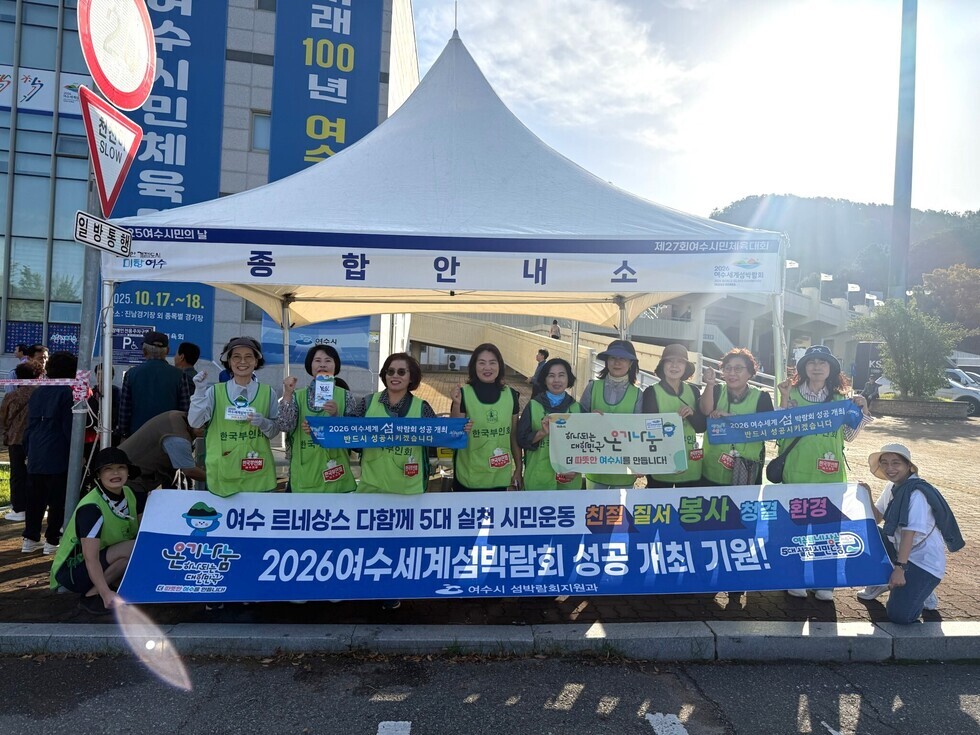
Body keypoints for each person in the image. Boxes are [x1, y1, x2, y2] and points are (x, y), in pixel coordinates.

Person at [776, 344, 872, 601]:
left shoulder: (842, 400)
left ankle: (825, 583)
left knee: (828, 533)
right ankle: (795, 578)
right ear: (803, 368)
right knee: (795, 531)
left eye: (822, 362)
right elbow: (779, 431)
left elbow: (849, 436)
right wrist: (784, 400)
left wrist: (862, 409)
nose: (817, 367)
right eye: (811, 362)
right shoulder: (790, 394)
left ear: (831, 369)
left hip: (830, 478)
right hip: (796, 475)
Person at [856, 444, 964, 623]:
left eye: (896, 463)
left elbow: (909, 534)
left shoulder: (916, 494)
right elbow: (876, 519)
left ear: (908, 466)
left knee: (899, 616)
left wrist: (899, 569)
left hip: (923, 562)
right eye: (885, 463)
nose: (889, 468)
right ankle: (882, 581)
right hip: (901, 552)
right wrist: (867, 494)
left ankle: (922, 590)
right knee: (867, 532)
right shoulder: (892, 486)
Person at [49, 447, 145, 615]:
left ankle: (110, 589)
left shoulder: (130, 494)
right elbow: (90, 557)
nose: (115, 473)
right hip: (73, 571)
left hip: (104, 559)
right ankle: (94, 595)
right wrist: (105, 593)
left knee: (134, 551)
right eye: (108, 469)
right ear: (98, 475)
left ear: (128, 471)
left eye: (121, 467)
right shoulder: (92, 508)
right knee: (135, 547)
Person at [189, 336, 285, 495]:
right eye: (236, 357)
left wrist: (263, 423)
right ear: (229, 361)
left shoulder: (268, 392)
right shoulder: (215, 392)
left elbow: (274, 430)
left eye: (249, 357)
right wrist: (199, 392)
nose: (243, 361)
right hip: (223, 474)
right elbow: (195, 422)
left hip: (257, 472)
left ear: (256, 361)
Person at [279, 345, 361, 493]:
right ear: (310, 365)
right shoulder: (297, 395)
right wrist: (287, 394)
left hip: (336, 476)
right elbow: (285, 425)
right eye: (317, 360)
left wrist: (336, 417)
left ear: (335, 365)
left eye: (328, 360)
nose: (322, 365)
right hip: (304, 477)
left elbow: (353, 436)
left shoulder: (345, 396)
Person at [21, 351, 77, 554]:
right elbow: (69, 427)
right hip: (58, 452)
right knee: (57, 500)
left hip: (36, 451)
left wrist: (28, 450)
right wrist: (77, 454)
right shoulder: (68, 393)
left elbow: (30, 425)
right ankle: (52, 541)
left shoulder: (38, 392)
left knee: (34, 499)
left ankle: (30, 538)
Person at [358, 352, 436, 495]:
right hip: (371, 490)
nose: (395, 376)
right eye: (390, 371)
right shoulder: (367, 403)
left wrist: (459, 429)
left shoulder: (422, 408)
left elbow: (439, 437)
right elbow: (348, 435)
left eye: (401, 372)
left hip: (409, 491)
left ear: (411, 377)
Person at [451, 343, 522, 492]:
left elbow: (513, 435)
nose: (487, 368)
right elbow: (454, 435)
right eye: (482, 363)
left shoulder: (511, 395)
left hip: (500, 475)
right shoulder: (463, 394)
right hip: (469, 477)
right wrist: (457, 404)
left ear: (500, 366)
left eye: (492, 362)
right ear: (474, 366)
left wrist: (518, 468)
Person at [699, 348, 773, 486]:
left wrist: (731, 417)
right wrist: (709, 384)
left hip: (746, 468)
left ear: (750, 372)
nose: (732, 373)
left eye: (738, 368)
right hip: (712, 467)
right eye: (727, 368)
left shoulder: (761, 397)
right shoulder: (716, 390)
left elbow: (767, 430)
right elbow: (705, 410)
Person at [579, 339, 643, 489]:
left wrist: (640, 462)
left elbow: (641, 432)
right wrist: (588, 418)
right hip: (595, 468)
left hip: (624, 471)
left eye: (623, 359)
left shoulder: (638, 394)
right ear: (607, 361)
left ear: (631, 363)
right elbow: (578, 421)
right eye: (613, 358)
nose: (617, 362)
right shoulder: (592, 387)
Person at [642, 344, 706, 488]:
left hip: (691, 462)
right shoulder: (651, 392)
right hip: (662, 461)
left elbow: (701, 427)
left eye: (680, 362)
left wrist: (692, 414)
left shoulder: (693, 391)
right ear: (662, 365)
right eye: (670, 361)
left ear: (686, 367)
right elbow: (648, 429)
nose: (674, 366)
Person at [517, 357, 583, 490]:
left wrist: (578, 468)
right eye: (551, 376)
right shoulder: (533, 405)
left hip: (569, 481)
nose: (556, 380)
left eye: (561, 375)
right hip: (538, 480)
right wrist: (541, 433)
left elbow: (587, 445)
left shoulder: (577, 408)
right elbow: (521, 440)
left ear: (568, 378)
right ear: (544, 379)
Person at [117, 331, 190, 439]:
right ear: (167, 351)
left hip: (138, 436)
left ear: (144, 351)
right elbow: (185, 410)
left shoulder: (131, 374)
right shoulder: (179, 375)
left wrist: (124, 434)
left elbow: (125, 410)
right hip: (169, 436)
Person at [119, 410, 206, 492]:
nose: (207, 431)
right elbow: (190, 471)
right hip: (131, 479)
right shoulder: (178, 438)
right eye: (205, 427)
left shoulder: (177, 416)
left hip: (128, 471)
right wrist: (213, 479)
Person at [1, 362, 40, 521]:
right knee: (35, 475)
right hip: (37, 440)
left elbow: (3, 418)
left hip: (15, 439)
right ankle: (36, 506)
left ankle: (19, 509)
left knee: (17, 475)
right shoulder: (40, 394)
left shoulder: (11, 396)